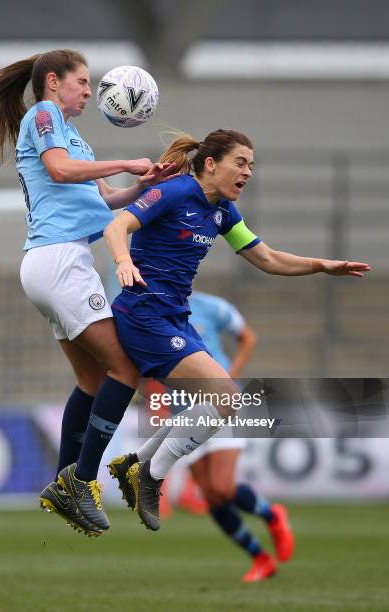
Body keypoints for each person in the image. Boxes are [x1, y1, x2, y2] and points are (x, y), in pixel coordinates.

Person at [104, 128, 371, 535]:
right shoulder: (174, 192)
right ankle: (151, 477)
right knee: (226, 398)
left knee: (218, 400)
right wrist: (124, 261)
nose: (248, 172)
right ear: (211, 164)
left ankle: (135, 463)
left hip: (176, 317)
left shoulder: (223, 212)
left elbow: (265, 258)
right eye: (240, 163)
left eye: (252, 166)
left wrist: (321, 265)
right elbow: (117, 227)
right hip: (143, 313)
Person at [0, 49, 176, 537]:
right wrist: (125, 160)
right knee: (124, 369)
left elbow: (100, 203)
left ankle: (63, 484)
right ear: (54, 81)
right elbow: (60, 172)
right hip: (59, 260)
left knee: (91, 381)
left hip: (61, 261)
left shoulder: (71, 133)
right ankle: (80, 481)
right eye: (82, 82)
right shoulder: (43, 115)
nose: (89, 90)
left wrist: (144, 187)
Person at [183, 291, 292, 582]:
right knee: (210, 495)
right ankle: (261, 559)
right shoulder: (147, 309)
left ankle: (272, 516)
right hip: (182, 410)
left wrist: (230, 376)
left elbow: (247, 337)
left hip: (221, 404)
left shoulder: (209, 306)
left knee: (222, 486)